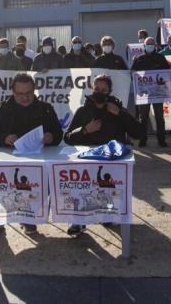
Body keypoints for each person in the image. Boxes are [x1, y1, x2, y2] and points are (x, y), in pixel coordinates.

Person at [0, 72, 63, 234]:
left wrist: (51, 136)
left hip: (39, 162)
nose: (25, 98)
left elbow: (58, 134)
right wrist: (4, 138)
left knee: (46, 181)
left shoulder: (45, 109)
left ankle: (28, 215)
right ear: (13, 92)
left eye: (29, 94)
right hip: (10, 161)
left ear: (34, 91)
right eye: (20, 94)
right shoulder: (3, 108)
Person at [64, 74, 143, 237]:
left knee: (107, 188)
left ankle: (107, 214)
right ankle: (79, 222)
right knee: (82, 189)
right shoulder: (83, 111)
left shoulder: (117, 110)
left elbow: (138, 132)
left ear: (109, 92)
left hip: (112, 160)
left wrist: (120, 114)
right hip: (87, 159)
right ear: (92, 89)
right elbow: (68, 138)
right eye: (97, 89)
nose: (99, 92)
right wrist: (85, 130)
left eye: (104, 90)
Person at [131, 37, 170, 147]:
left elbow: (167, 73)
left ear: (155, 45)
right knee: (143, 117)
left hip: (157, 93)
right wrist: (132, 73)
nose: (150, 45)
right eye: (148, 44)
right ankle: (143, 139)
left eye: (152, 44)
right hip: (144, 93)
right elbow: (133, 73)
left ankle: (161, 139)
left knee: (159, 116)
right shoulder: (138, 59)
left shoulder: (161, 58)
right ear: (144, 45)